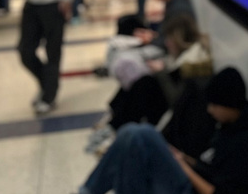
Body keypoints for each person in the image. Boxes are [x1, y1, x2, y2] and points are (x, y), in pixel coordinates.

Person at [39, 68, 248, 194]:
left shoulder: (245, 146)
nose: (210, 111)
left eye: (215, 105)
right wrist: (184, 159)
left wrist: (184, 170)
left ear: (230, 105)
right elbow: (210, 167)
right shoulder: (228, 126)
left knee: (143, 135)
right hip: (190, 193)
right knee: (131, 134)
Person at [86, 13, 211, 153]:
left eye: (169, 39)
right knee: (141, 83)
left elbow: (178, 99)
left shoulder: (190, 64)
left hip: (175, 112)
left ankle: (116, 125)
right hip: (170, 101)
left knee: (144, 84)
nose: (167, 43)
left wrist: (161, 72)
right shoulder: (188, 56)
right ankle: (115, 122)